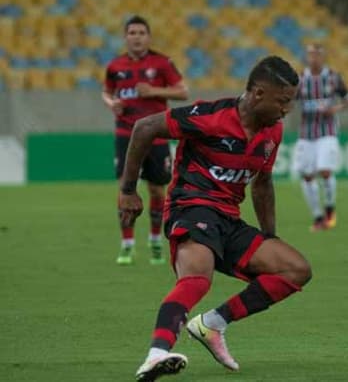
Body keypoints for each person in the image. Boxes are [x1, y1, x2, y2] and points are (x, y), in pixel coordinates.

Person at [118, 56, 312, 381]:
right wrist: (128, 190)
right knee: (197, 278)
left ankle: (213, 324)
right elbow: (145, 127)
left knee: (296, 269)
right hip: (191, 207)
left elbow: (262, 184)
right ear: (258, 93)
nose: (286, 110)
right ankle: (156, 354)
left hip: (228, 219)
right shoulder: (210, 116)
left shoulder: (272, 133)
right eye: (283, 101)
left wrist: (269, 235)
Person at [102, 15, 188, 265]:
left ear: (148, 37)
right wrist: (111, 103)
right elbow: (106, 91)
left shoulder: (162, 63)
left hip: (157, 135)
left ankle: (155, 240)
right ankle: (127, 244)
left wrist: (154, 91)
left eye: (141, 32)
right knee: (125, 188)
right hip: (125, 134)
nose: (136, 37)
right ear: (125, 37)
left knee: (155, 189)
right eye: (132, 33)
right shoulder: (115, 66)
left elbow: (183, 91)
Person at [293, 43, 348, 231]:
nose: (313, 58)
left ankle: (329, 210)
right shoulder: (300, 79)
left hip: (327, 131)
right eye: (310, 54)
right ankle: (317, 216)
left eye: (317, 54)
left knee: (325, 171)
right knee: (307, 176)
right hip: (306, 133)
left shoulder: (333, 77)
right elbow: (289, 102)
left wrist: (335, 108)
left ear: (322, 56)